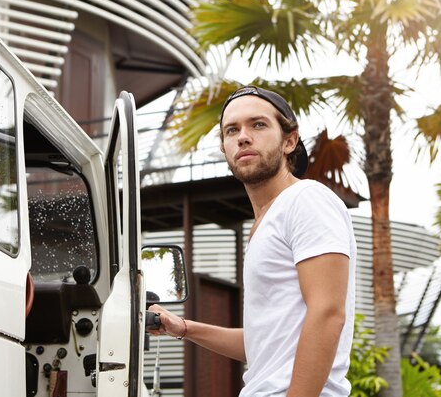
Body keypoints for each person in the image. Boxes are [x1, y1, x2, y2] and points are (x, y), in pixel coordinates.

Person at [148, 86, 357, 397]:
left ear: (290, 140)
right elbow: (263, 343)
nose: (243, 136)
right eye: (232, 130)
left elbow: (328, 313)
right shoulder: (262, 224)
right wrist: (185, 328)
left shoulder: (306, 199)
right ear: (224, 147)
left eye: (258, 125)